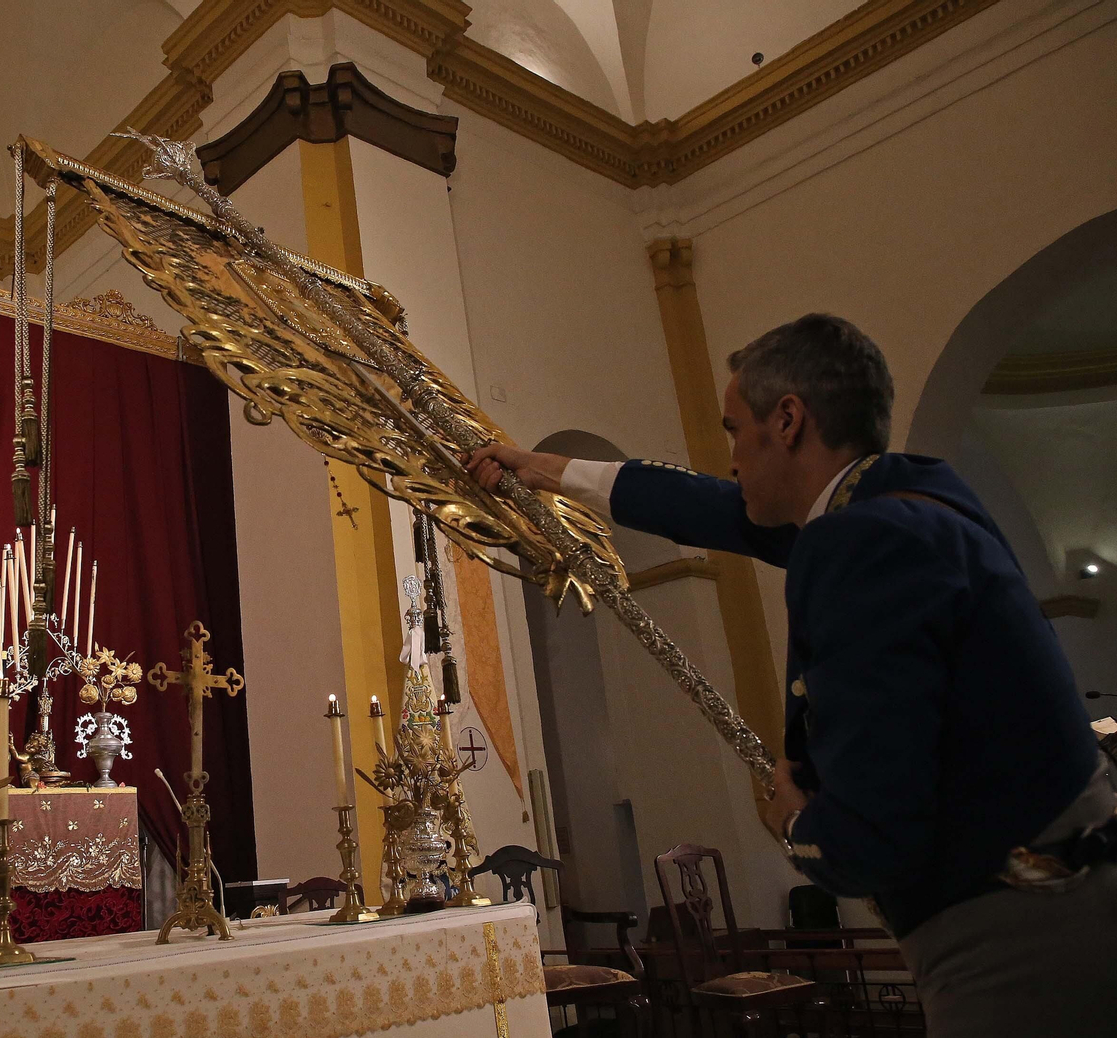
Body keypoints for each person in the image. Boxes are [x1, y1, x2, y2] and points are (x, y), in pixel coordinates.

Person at [467, 313, 1117, 1036]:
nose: (733, 458)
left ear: (787, 420)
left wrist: (797, 819)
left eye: (733, 430)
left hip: (1011, 931)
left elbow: (875, 833)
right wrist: (544, 468)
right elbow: (707, 506)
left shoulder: (859, 541)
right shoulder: (906, 500)